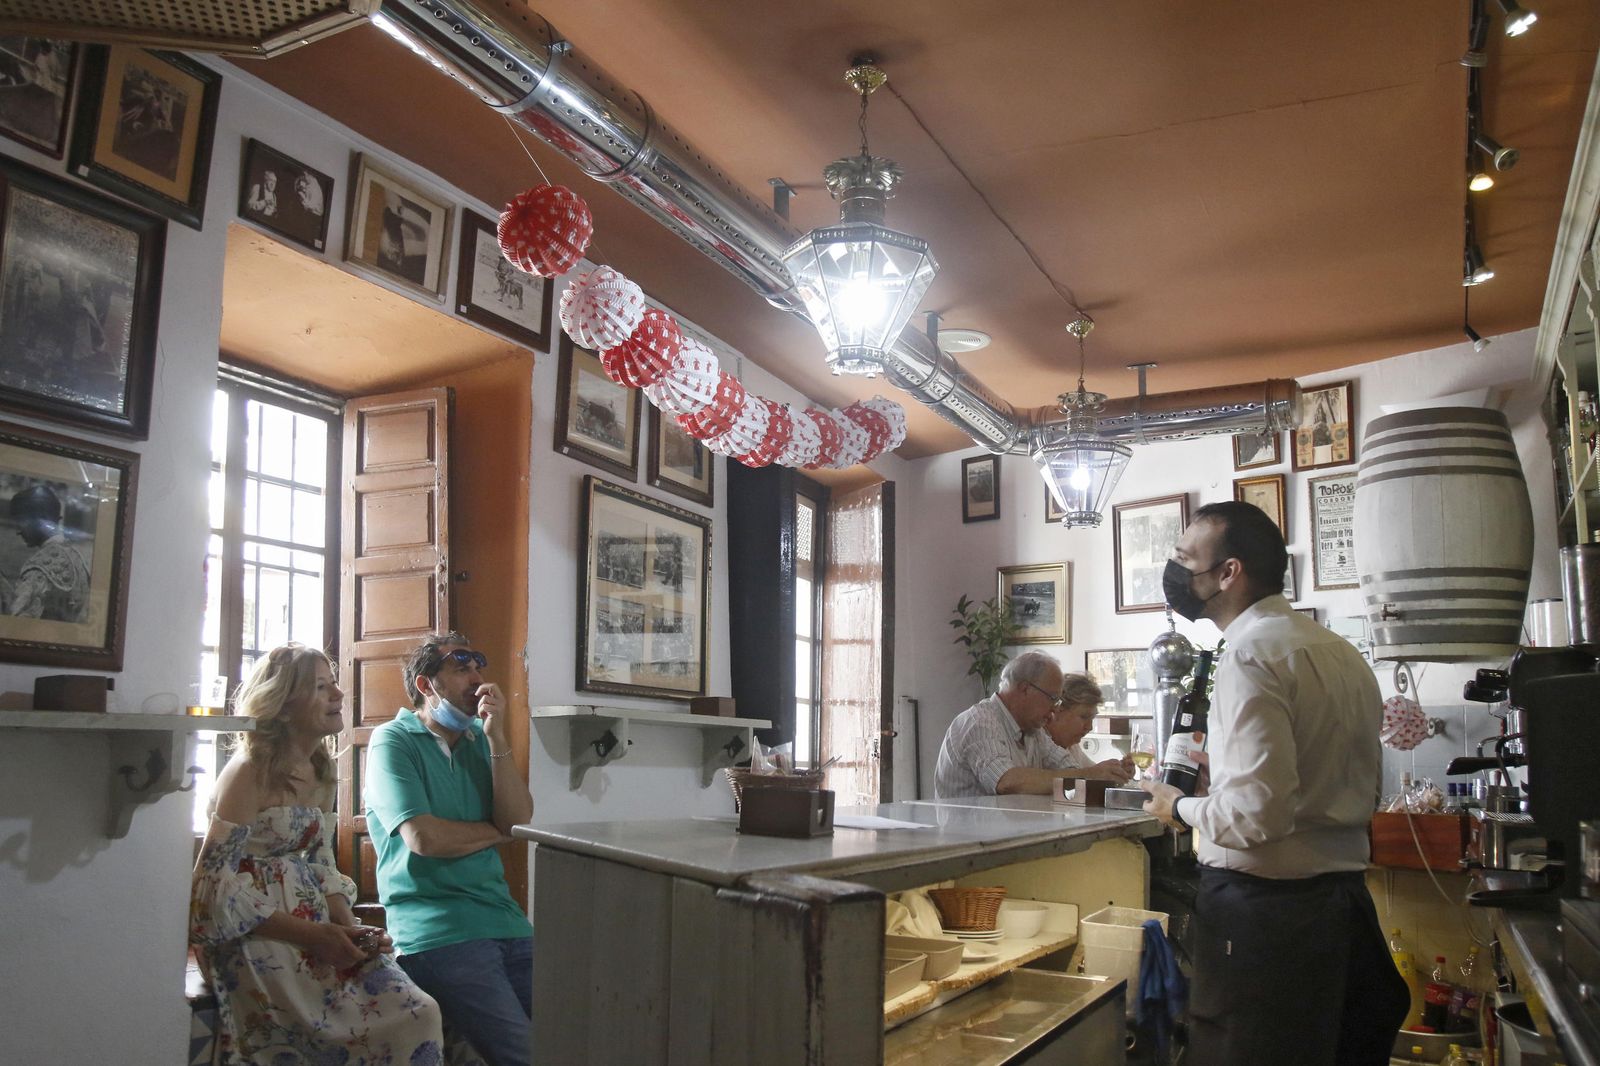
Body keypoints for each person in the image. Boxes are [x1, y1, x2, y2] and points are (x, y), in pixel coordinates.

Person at [1138, 501, 1408, 1065]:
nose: (1176, 571)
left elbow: (1255, 816)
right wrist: (1222, 785)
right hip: (1343, 905)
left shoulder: (1249, 654)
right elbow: (1344, 782)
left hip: (1267, 917)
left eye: (1185, 558)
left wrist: (1178, 806)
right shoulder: (1339, 651)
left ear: (1229, 572)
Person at [190, 644, 447, 1066]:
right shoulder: (249, 770)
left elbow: (320, 863)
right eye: (320, 687)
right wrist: (314, 936)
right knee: (329, 1036)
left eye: (334, 683)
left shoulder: (321, 769)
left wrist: (349, 928)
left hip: (318, 926)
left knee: (419, 1012)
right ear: (283, 705)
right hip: (256, 933)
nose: (339, 694)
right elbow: (211, 887)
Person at [365, 633, 535, 1066]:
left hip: (507, 920)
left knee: (579, 1037)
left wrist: (497, 738)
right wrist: (498, 833)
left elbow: (518, 819)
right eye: (461, 669)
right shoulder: (393, 740)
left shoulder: (481, 739)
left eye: (478, 667)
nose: (477, 680)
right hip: (436, 931)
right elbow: (425, 839)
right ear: (426, 685)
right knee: (526, 1054)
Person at [934, 651, 1133, 799]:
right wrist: (1089, 775)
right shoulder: (980, 722)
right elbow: (1007, 782)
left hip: (1013, 835)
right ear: (1025, 689)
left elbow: (1070, 769)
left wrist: (1109, 774)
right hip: (968, 839)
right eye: (1052, 698)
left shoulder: (1033, 731)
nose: (1055, 709)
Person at [4, 484, 90, 622]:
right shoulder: (81, 558)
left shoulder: (38, 568)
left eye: (21, 521)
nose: (18, 531)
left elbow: (15, 624)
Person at [1042, 673, 1136, 784]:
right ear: (1057, 710)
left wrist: (1119, 771)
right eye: (1084, 717)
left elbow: (1094, 775)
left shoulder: (1072, 748)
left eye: (1092, 718)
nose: (1089, 727)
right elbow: (1089, 775)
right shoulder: (1037, 743)